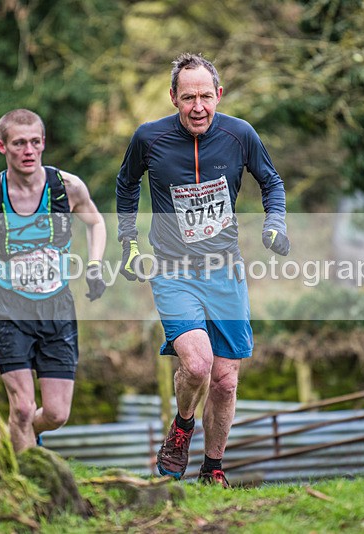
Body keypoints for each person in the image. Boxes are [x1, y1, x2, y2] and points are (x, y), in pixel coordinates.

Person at [115, 53, 290, 488]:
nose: (198, 107)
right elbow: (125, 184)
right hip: (173, 270)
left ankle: (212, 469)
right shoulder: (149, 138)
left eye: (206, 97)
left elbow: (272, 181)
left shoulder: (239, 134)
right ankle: (182, 427)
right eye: (188, 97)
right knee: (197, 365)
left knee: (226, 381)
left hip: (224, 270)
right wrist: (128, 242)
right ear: (173, 97)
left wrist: (275, 222)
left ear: (219, 95)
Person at [0, 108, 106, 453]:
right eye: (19, 143)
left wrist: (94, 265)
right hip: (7, 307)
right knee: (20, 407)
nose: (28, 151)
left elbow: (96, 222)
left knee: (56, 413)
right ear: (2, 147)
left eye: (35, 142)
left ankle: (15, 443)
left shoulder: (67, 187)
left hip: (57, 308)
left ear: (44, 143)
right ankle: (26, 483)